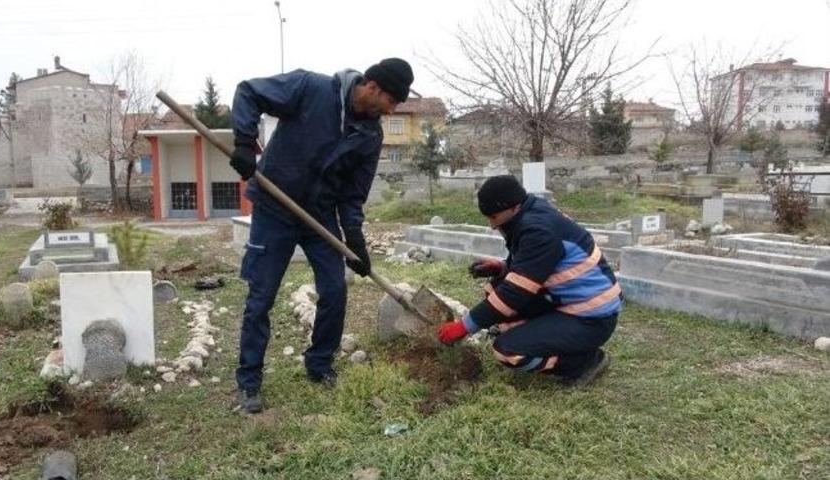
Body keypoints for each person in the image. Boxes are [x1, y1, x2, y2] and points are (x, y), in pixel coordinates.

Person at [229, 58, 414, 413]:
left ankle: (319, 365)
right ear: (372, 87)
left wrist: (354, 238)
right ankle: (249, 381)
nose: (391, 110)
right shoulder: (311, 89)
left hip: (319, 216)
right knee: (261, 296)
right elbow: (249, 92)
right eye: (391, 101)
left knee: (334, 288)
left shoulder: (370, 135)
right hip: (273, 208)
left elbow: (352, 193)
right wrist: (243, 141)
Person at [437, 175, 621, 387]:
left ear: (513, 207)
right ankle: (540, 336)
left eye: (494, 217)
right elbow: (537, 265)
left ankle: (585, 362)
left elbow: (513, 295)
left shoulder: (537, 230)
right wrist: (502, 268)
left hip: (591, 318)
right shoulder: (532, 212)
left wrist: (464, 326)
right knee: (495, 289)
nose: (492, 225)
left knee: (506, 350)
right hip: (567, 302)